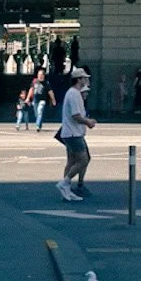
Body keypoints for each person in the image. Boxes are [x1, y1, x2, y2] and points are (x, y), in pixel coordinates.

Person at [57, 65, 96, 202]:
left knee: (72, 160)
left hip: (71, 133)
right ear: (78, 79)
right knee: (83, 160)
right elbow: (76, 115)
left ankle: (66, 189)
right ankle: (65, 183)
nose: (86, 80)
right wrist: (88, 122)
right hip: (73, 134)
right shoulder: (74, 94)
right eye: (84, 78)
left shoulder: (73, 93)